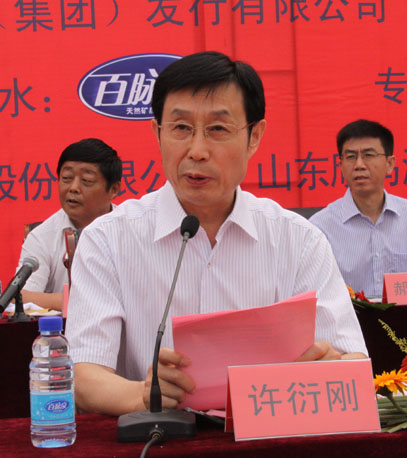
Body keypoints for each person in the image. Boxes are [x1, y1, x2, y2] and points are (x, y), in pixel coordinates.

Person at [65, 51, 368, 416]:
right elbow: (84, 375)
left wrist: (328, 370)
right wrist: (145, 395)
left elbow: (352, 362)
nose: (197, 151)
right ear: (157, 133)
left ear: (254, 136)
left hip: (270, 435)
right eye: (181, 128)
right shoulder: (108, 239)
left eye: (218, 130)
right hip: (159, 437)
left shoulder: (299, 240)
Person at [310, 119, 407, 298]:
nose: (359, 165)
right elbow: (314, 292)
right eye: (351, 157)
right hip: (348, 316)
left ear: (390, 164)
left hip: (406, 315)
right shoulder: (320, 226)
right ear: (341, 165)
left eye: (368, 155)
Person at [16, 138, 122, 310]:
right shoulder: (42, 237)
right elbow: (22, 297)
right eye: (66, 178)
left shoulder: (131, 229)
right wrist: (83, 301)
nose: (73, 188)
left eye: (86, 180)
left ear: (114, 189)